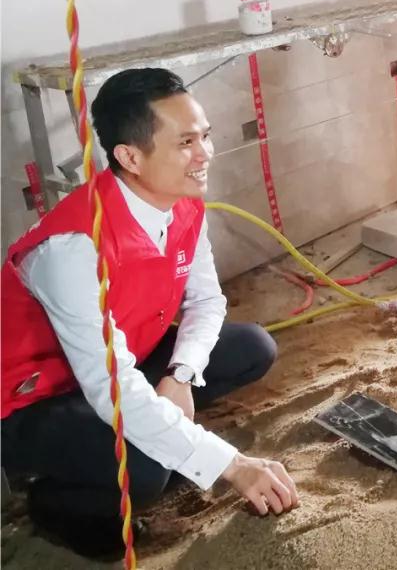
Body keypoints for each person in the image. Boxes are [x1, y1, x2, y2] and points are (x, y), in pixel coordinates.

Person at [1, 68, 300, 559]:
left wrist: (180, 375)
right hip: (34, 399)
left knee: (252, 347)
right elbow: (111, 386)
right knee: (143, 472)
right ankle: (51, 502)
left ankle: (155, 429)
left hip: (120, 361)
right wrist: (232, 465)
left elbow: (207, 301)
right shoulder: (72, 249)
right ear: (130, 157)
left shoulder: (183, 205)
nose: (204, 154)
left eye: (204, 136)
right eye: (185, 142)